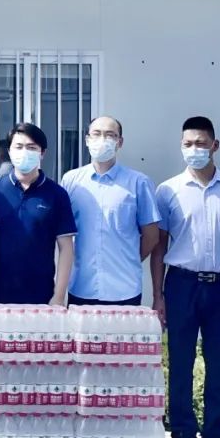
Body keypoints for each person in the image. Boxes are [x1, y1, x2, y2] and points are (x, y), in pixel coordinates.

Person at [153, 116, 220, 438]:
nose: (194, 149)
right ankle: (182, 436)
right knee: (180, 363)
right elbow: (159, 247)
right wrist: (158, 296)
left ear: (215, 146)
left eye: (200, 143)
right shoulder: (168, 190)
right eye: (188, 144)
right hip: (181, 285)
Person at [60, 116, 160, 305]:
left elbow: (151, 236)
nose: (102, 140)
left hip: (125, 289)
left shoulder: (139, 183)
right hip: (82, 287)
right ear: (87, 139)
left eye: (110, 135)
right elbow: (64, 232)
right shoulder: (71, 181)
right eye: (96, 134)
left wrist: (129, 259)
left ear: (119, 142)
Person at [0, 123, 76, 305]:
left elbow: (66, 248)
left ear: (42, 153)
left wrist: (58, 296)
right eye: (18, 146)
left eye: (31, 147)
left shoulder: (57, 194)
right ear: (9, 151)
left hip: (41, 296)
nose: (24, 152)